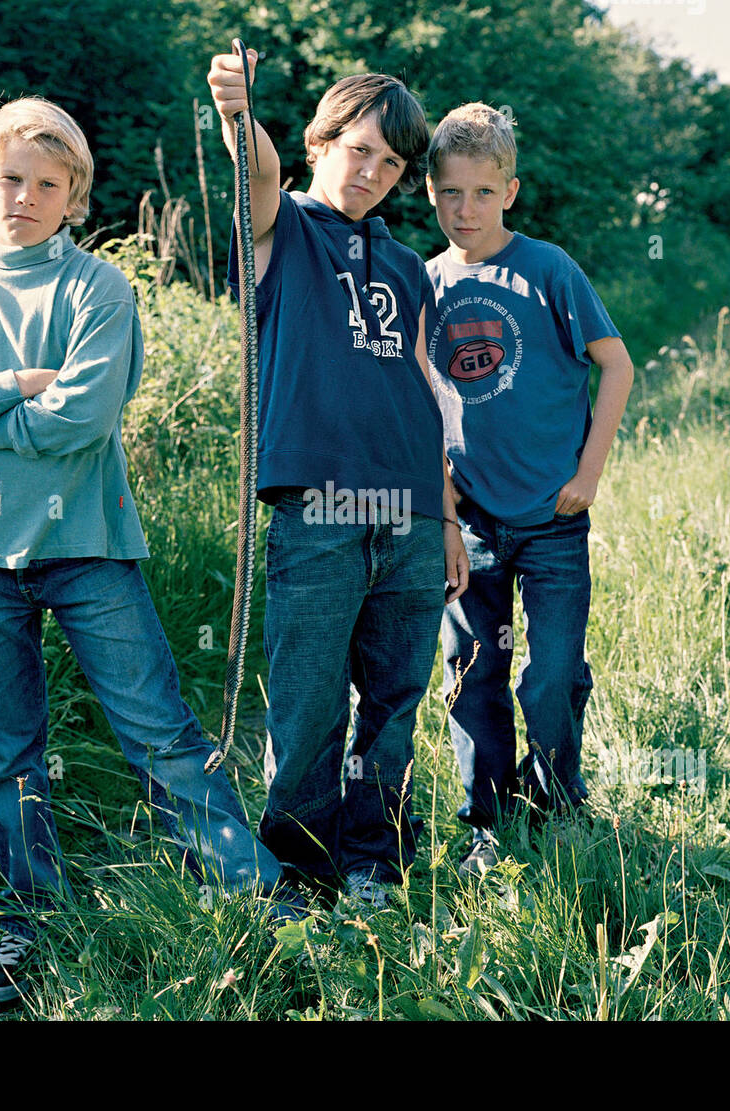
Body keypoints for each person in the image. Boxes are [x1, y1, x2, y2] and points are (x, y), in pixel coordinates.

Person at [0, 96, 288, 1003]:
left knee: (161, 734)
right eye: (8, 178)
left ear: (74, 196)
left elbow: (82, 419)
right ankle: (33, 916)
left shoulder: (98, 290)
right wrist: (15, 382)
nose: (24, 195)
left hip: (87, 544)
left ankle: (252, 894)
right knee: (7, 753)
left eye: (47, 183)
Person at [206, 47, 469, 912]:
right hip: (316, 509)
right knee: (309, 703)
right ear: (322, 142)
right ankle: (298, 870)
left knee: (393, 703)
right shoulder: (283, 233)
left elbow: (428, 397)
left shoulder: (406, 269)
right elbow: (256, 181)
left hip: (407, 517)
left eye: (391, 163)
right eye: (358, 149)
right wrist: (240, 116)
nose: (372, 172)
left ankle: (374, 858)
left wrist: (444, 516)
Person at [422, 103, 634, 878]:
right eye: (449, 192)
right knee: (473, 670)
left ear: (510, 190)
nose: (465, 209)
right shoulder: (427, 283)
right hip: (470, 520)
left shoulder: (548, 269)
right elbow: (422, 409)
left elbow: (616, 365)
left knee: (549, 673)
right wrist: (443, 513)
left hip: (551, 517)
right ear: (430, 192)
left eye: (481, 192)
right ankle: (486, 817)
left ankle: (557, 796)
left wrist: (589, 472)